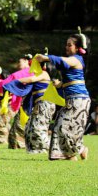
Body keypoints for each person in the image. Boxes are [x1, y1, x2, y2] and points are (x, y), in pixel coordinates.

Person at [36, 32, 91, 161]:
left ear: (78, 48)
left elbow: (63, 61)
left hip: (79, 99)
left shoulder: (76, 59)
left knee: (64, 126)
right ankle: (73, 152)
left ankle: (75, 151)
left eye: (69, 45)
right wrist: (59, 84)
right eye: (66, 45)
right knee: (61, 126)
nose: (67, 47)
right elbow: (70, 80)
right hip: (73, 99)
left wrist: (46, 57)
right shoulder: (74, 60)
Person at [4, 58, 56, 154]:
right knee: (29, 127)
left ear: (43, 66)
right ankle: (34, 150)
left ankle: (55, 148)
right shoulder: (38, 74)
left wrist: (16, 81)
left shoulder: (44, 73)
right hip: (39, 104)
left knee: (38, 128)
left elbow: (31, 79)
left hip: (45, 104)